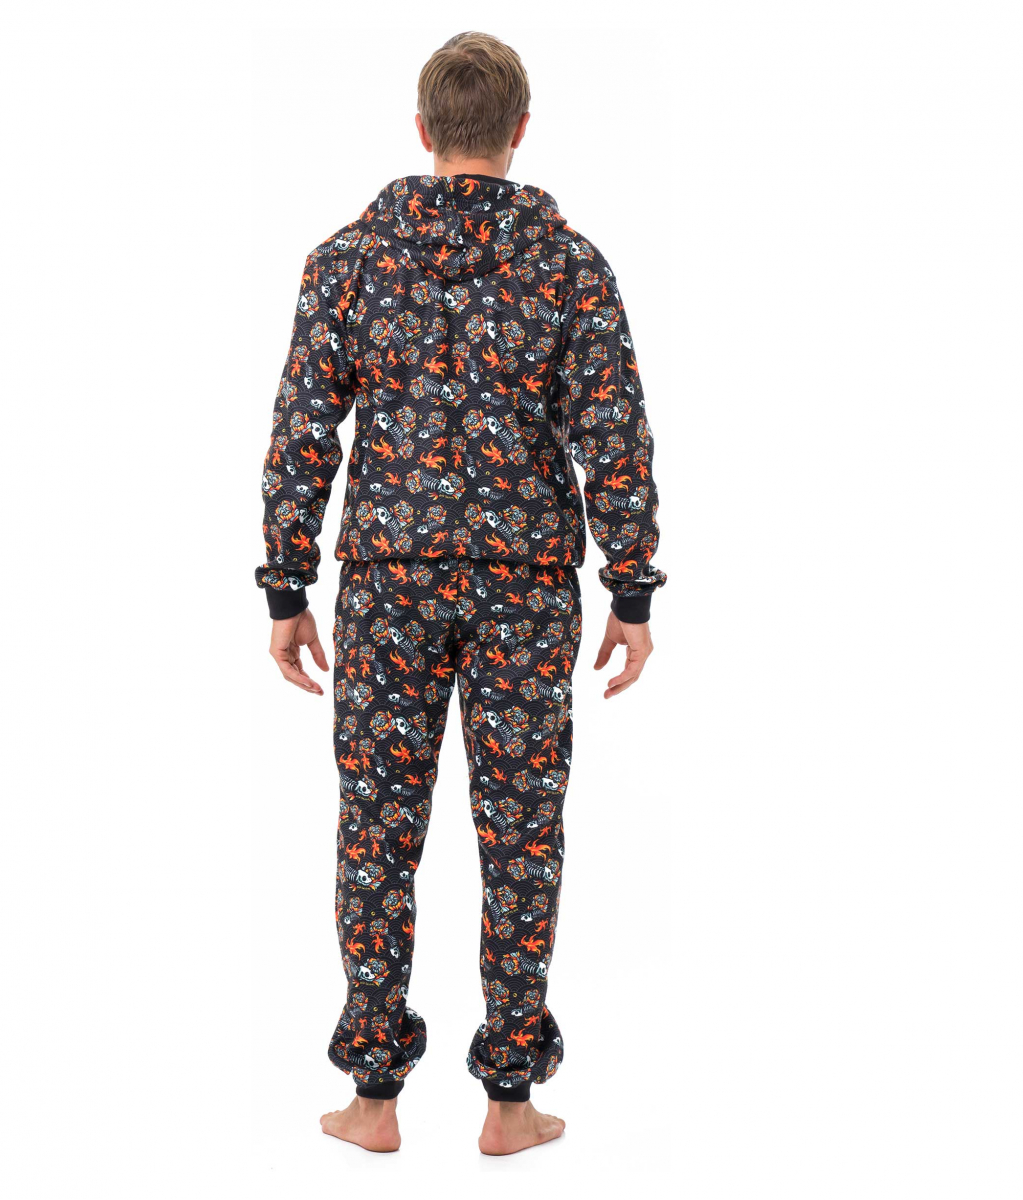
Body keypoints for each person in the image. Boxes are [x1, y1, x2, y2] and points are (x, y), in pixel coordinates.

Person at [257, 31, 664, 1156]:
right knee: (522, 836)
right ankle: (511, 1103)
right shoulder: (570, 266)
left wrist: (287, 585)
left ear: (423, 129)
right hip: (525, 593)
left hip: (385, 589)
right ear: (521, 130)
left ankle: (374, 1098)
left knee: (375, 833)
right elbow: (614, 435)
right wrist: (632, 590)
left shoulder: (347, 260)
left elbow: (302, 431)